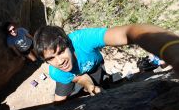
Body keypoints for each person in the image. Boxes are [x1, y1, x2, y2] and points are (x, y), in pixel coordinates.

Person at [33, 24, 179, 102]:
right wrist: (86, 82)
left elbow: (129, 31)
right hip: (71, 76)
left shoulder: (83, 40)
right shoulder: (57, 71)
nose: (59, 61)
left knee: (101, 86)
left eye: (61, 51)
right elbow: (73, 77)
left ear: (68, 44)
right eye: (50, 59)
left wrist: (170, 48)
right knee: (60, 102)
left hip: (95, 67)